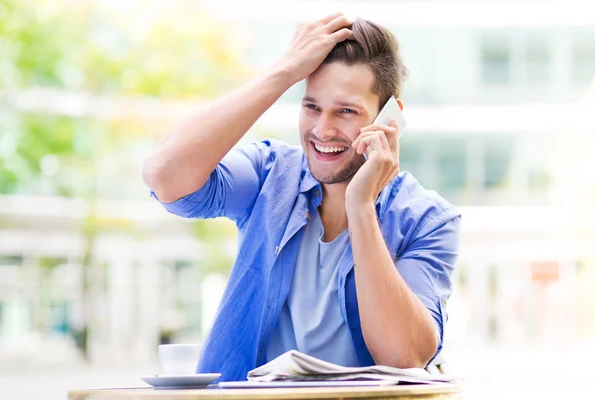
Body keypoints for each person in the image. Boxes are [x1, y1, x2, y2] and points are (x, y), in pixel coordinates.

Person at [142, 13, 461, 382]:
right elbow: (164, 175)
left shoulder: (428, 219)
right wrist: (285, 71)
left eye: (345, 111)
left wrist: (360, 207)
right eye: (311, 107)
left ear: (390, 120)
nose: (322, 130)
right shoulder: (270, 174)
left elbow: (402, 356)